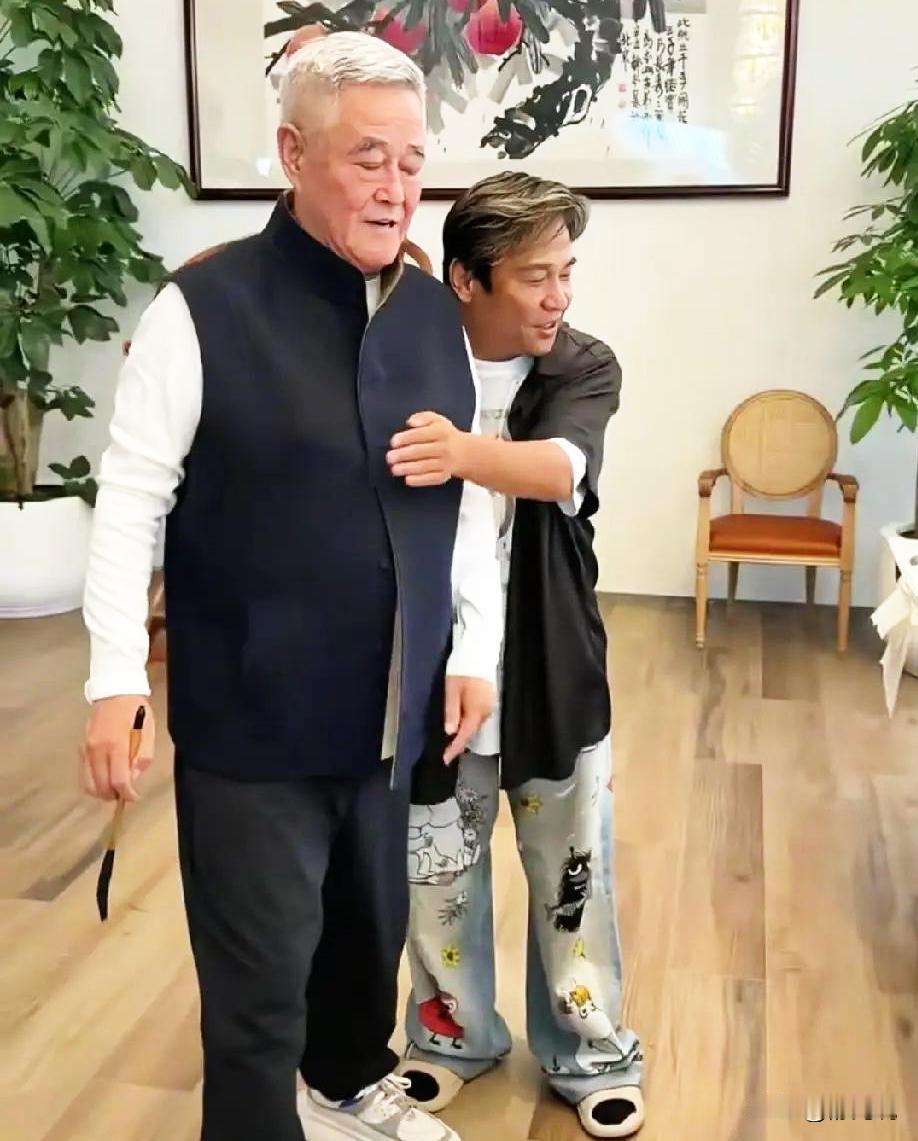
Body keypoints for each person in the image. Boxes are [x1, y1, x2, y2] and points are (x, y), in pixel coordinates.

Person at [79, 32, 502, 1141]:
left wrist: (471, 646)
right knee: (260, 988)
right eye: (368, 157)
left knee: (366, 946)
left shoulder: (430, 313)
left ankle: (350, 1090)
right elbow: (129, 498)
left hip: (389, 712)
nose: (396, 187)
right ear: (293, 153)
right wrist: (114, 679)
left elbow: (458, 493)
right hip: (253, 720)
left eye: (411, 161)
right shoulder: (201, 308)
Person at [387, 173, 644, 1140]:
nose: (557, 296)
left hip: (551, 657)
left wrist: (457, 451)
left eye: (566, 272)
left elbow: (557, 470)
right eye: (536, 276)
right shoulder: (409, 364)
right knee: (437, 868)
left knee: (571, 871)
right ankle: (450, 1038)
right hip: (431, 663)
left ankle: (591, 1051)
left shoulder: (581, 365)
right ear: (467, 279)